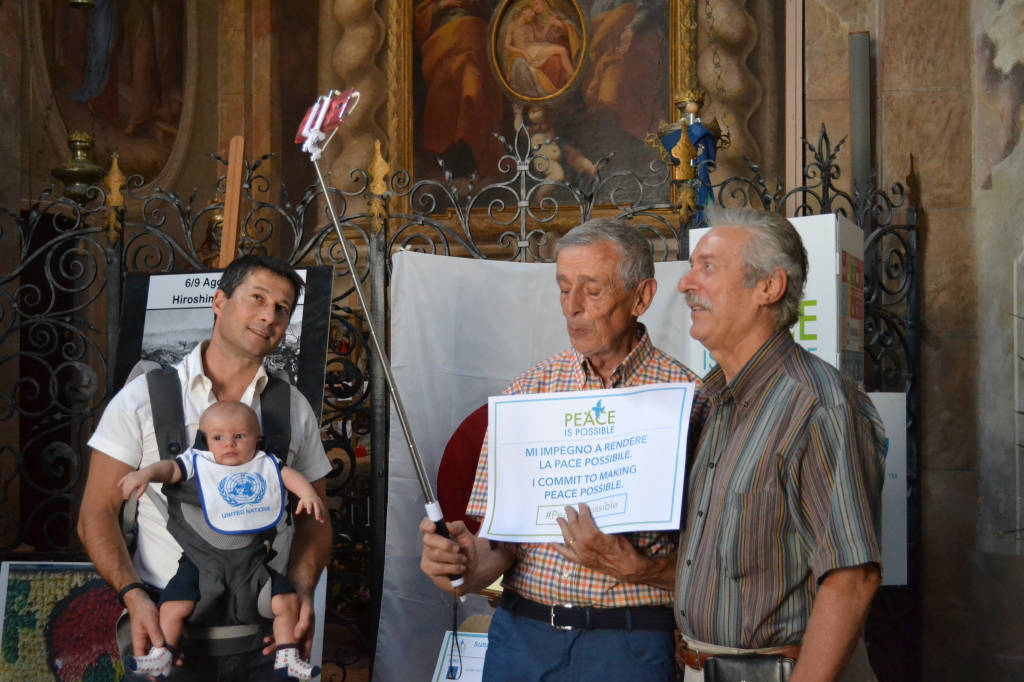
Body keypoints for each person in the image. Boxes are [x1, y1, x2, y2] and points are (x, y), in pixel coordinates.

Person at [420, 218, 701, 681]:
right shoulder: (527, 393)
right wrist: (461, 565)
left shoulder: (689, 402)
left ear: (642, 297)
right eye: (564, 288)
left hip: (628, 644)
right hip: (522, 638)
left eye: (592, 290)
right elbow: (500, 546)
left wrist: (637, 567)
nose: (572, 308)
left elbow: (715, 563)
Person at [78, 255, 333, 681]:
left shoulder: (293, 408)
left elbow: (316, 521)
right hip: (167, 629)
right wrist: (134, 598)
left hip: (266, 635)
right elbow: (95, 514)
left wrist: (302, 590)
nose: (269, 315)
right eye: (257, 298)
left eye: (282, 308)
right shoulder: (143, 399)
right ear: (219, 301)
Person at [674, 207, 886, 681]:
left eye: (708, 267)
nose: (686, 283)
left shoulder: (818, 404)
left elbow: (852, 579)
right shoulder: (709, 401)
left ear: (768, 288)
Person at [118, 401, 325, 679]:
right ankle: (162, 653)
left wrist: (309, 494)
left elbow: (290, 477)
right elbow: (169, 469)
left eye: (239, 436)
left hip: (253, 564)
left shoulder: (265, 464)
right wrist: (144, 474)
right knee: (173, 605)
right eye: (218, 438)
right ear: (206, 441)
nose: (229, 444)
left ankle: (287, 655)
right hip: (200, 561)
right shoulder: (198, 462)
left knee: (285, 602)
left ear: (257, 439)